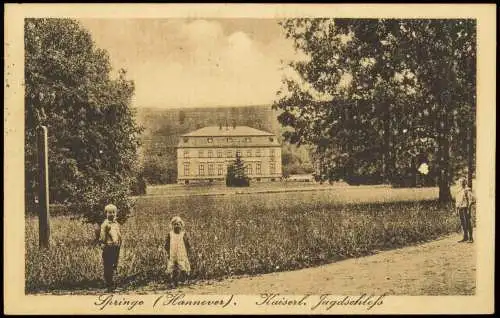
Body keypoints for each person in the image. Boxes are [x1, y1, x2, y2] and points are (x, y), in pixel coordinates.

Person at [99, 204, 122, 292]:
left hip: (115, 247)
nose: (112, 214)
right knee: (108, 265)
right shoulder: (105, 224)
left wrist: (119, 242)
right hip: (108, 247)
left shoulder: (116, 223)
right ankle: (109, 284)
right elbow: (102, 236)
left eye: (113, 212)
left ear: (116, 213)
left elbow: (118, 234)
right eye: (109, 212)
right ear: (106, 213)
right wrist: (102, 243)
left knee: (114, 264)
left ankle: (113, 283)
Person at [164, 216, 192, 288]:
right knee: (171, 267)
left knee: (182, 267)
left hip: (181, 253)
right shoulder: (170, 234)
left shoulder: (183, 234)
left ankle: (182, 280)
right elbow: (167, 244)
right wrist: (167, 252)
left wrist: (188, 251)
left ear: (181, 225)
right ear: (172, 225)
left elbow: (187, 244)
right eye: (175, 224)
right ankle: (173, 282)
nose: (176, 226)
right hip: (172, 253)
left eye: (178, 224)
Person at [455, 177, 474, 243]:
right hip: (460, 208)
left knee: (468, 223)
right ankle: (465, 237)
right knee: (463, 223)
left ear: (465, 182)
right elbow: (457, 201)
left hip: (466, 208)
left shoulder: (467, 190)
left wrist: (469, 209)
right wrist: (456, 210)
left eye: (462, 182)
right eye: (460, 182)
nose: (461, 183)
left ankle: (471, 238)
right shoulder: (459, 191)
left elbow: (471, 200)